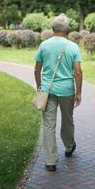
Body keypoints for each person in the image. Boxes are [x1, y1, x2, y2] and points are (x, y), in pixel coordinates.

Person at [34, 14, 83, 172]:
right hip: (67, 90)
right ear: (67, 29)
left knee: (49, 124)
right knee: (68, 120)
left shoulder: (44, 45)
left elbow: (37, 69)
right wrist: (79, 92)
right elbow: (78, 72)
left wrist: (40, 86)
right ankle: (69, 147)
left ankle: (50, 161)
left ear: (53, 28)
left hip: (48, 89)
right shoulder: (73, 47)